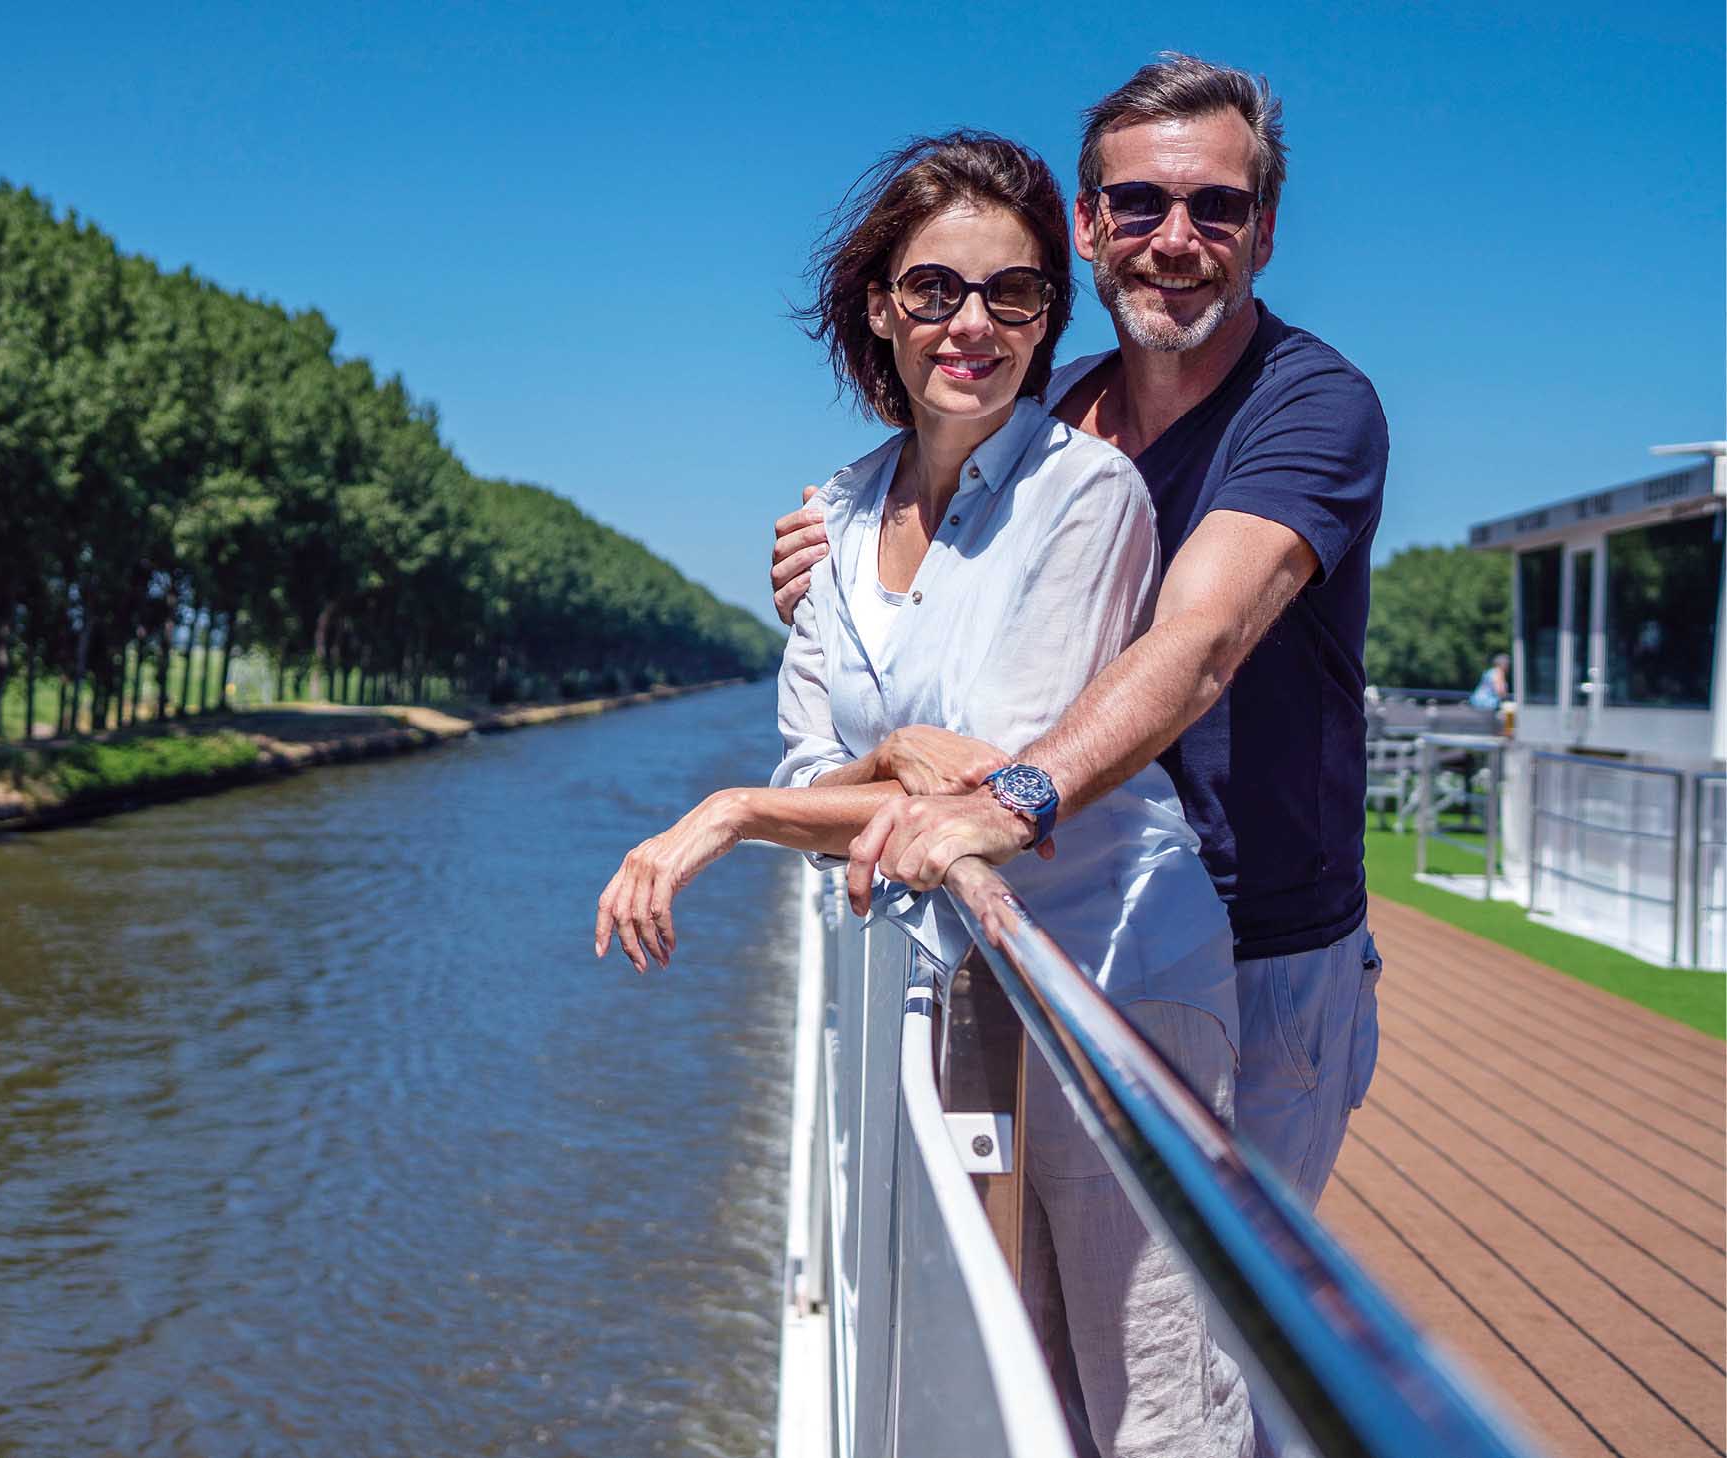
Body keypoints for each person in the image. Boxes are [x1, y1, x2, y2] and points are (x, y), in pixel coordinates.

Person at [592, 131, 1248, 1458]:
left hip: (1110, 973)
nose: (973, 324)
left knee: (1157, 1394)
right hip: (957, 971)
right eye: (936, 288)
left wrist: (725, 812)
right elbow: (822, 766)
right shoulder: (829, 517)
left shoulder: (1087, 493)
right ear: (879, 306)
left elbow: (994, 777)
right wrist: (887, 764)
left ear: (1045, 317)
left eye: (1013, 295)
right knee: (1012, 1371)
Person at [769, 56, 1389, 1231]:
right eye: (1140, 204)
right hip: (1066, 929)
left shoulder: (1311, 407)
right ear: (1089, 230)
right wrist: (830, 574)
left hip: (1256, 957)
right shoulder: (1055, 419)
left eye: (1217, 206)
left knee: (1202, 1360)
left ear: (1263, 233)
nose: (1176, 237)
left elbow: (1201, 638)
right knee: (1046, 1349)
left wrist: (1012, 797)